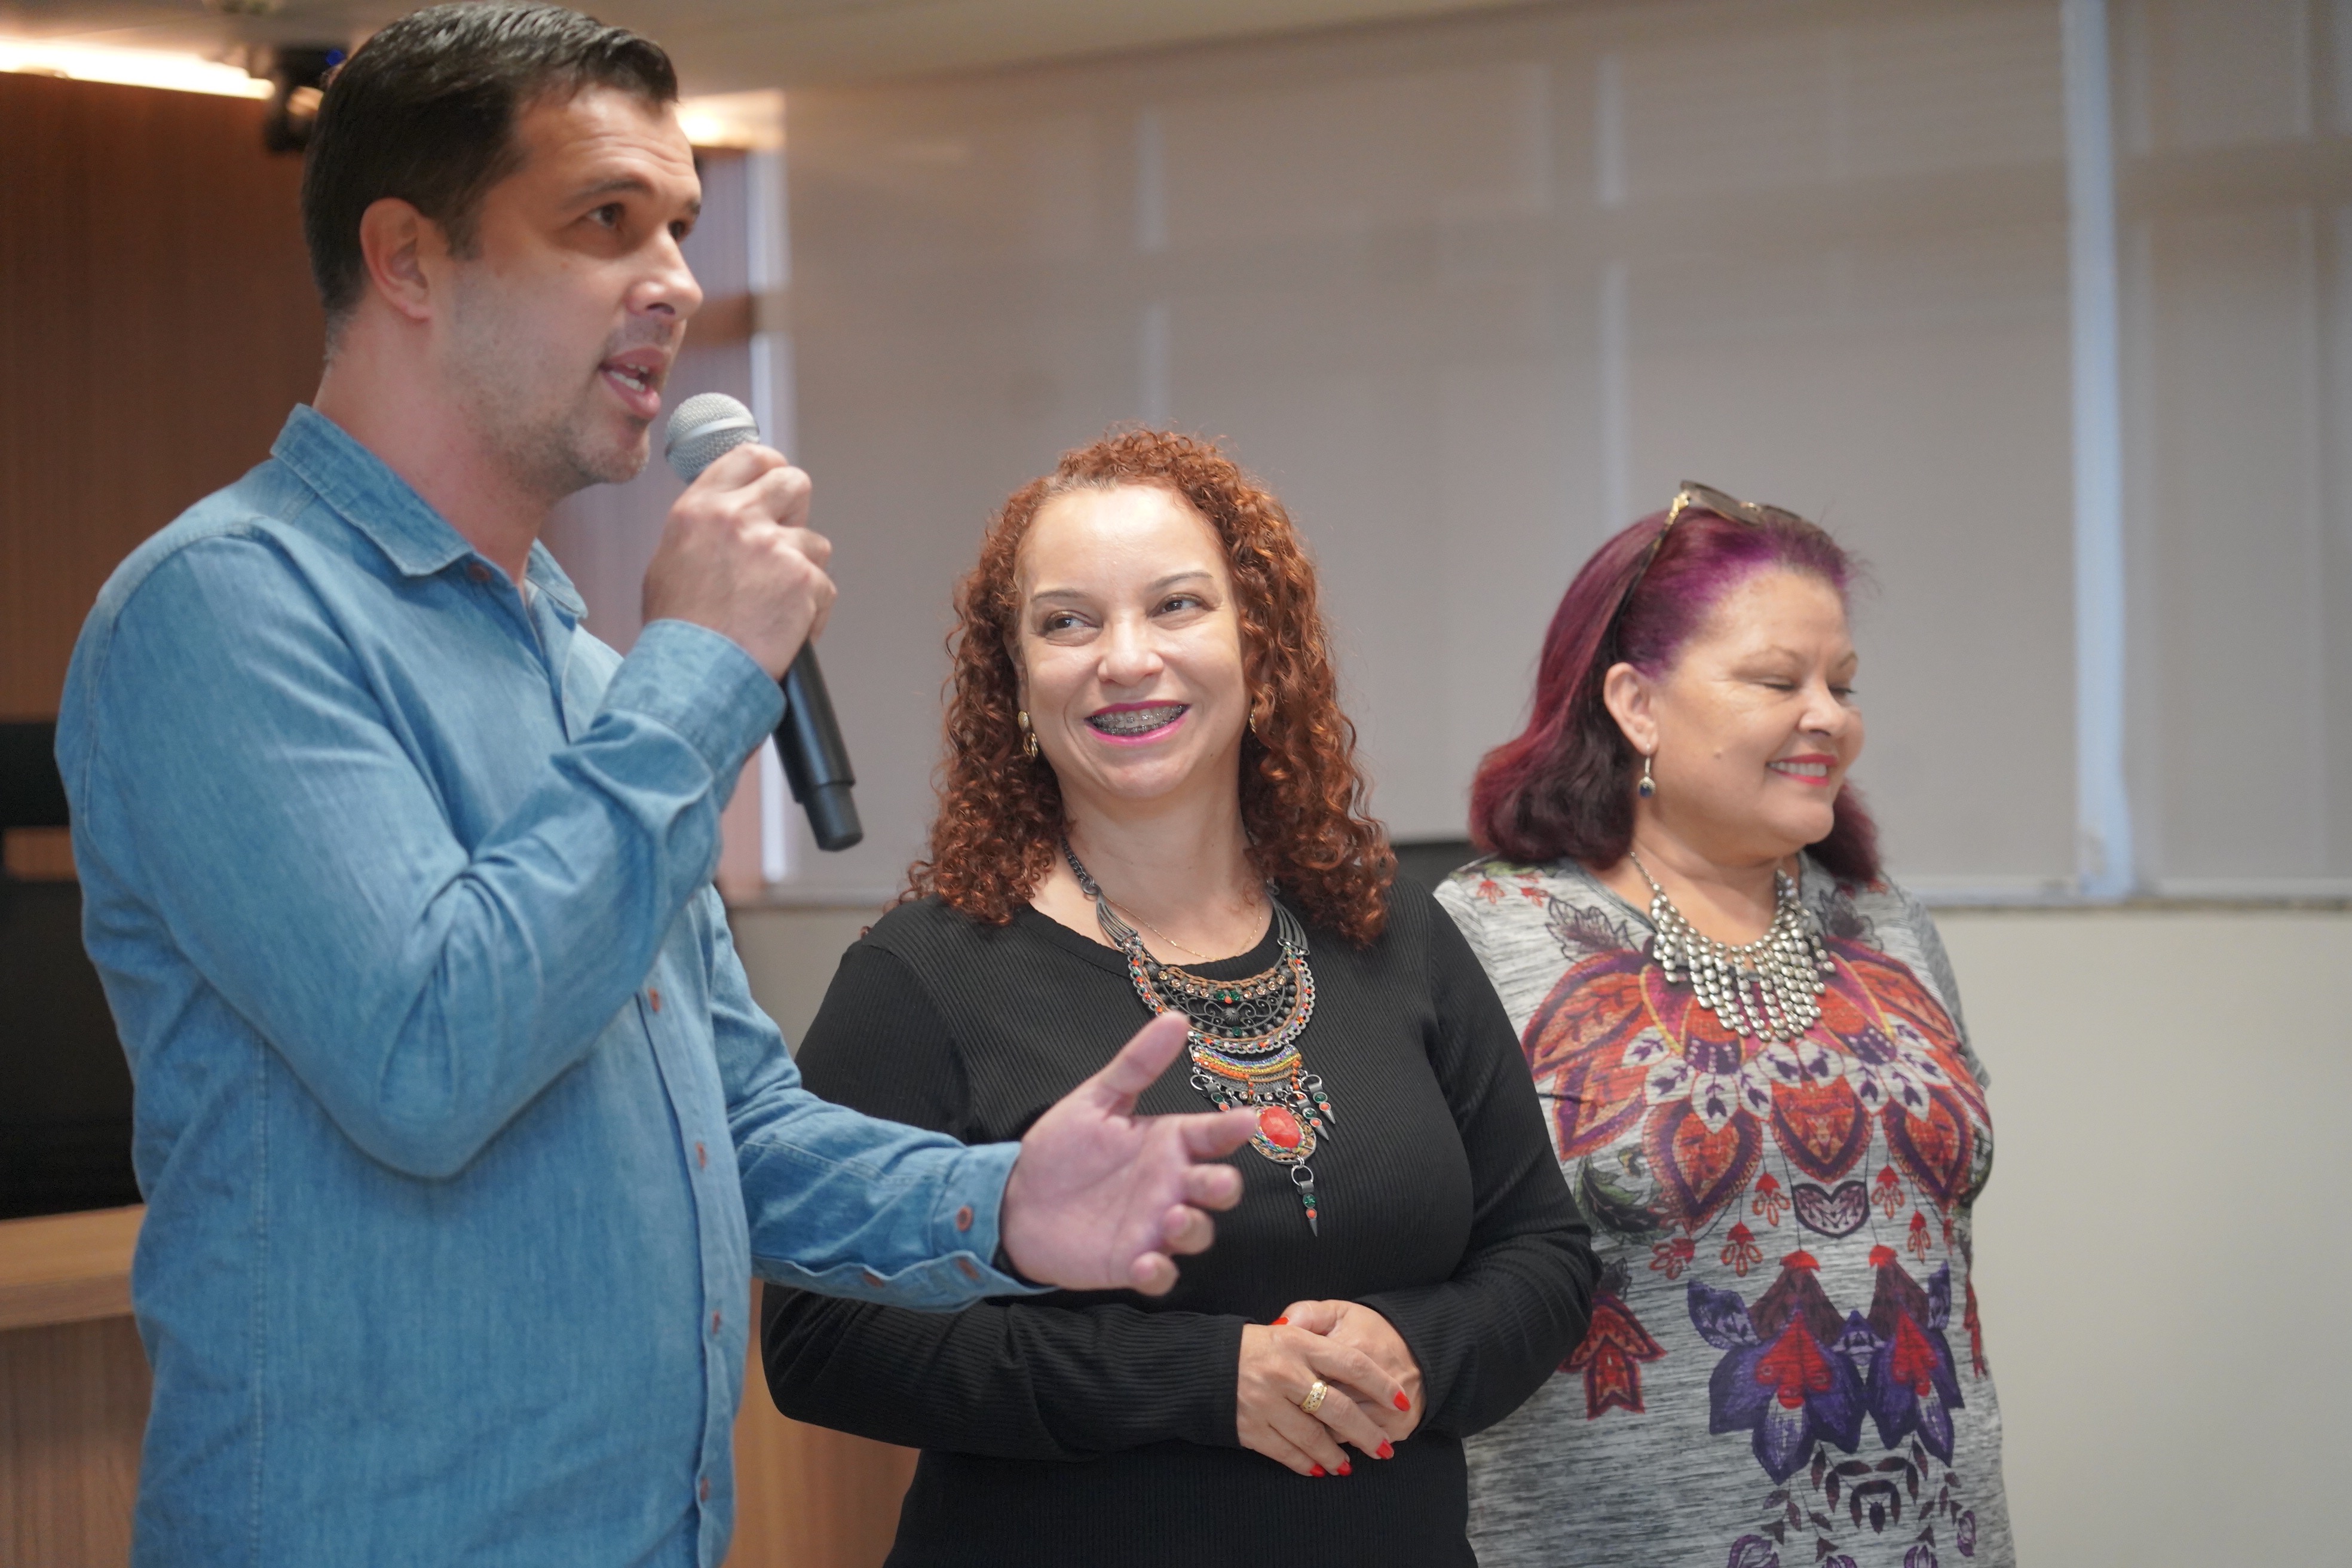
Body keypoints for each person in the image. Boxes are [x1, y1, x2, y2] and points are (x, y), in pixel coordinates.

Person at [53, 10, 1258, 1564]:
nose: (677, 281)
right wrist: (698, 673)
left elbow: (730, 1121)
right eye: (605, 220)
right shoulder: (226, 612)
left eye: (682, 225)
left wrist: (1001, 1202)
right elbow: (432, 1055)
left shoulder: (587, 672)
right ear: (409, 261)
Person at [758, 430, 1597, 1567]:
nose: (1126, 658)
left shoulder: (1393, 931)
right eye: (1067, 623)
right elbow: (823, 1338)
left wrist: (1414, 1349)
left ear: (1259, 648)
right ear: (1015, 684)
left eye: (1176, 606)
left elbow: (1543, 1255)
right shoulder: (925, 974)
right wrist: (1207, 1379)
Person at [1435, 483, 2012, 1567]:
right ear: (1636, 704)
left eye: (1842, 684)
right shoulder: (1481, 937)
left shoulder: (1886, 922)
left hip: (1940, 1537)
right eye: (1778, 681)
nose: (1829, 717)